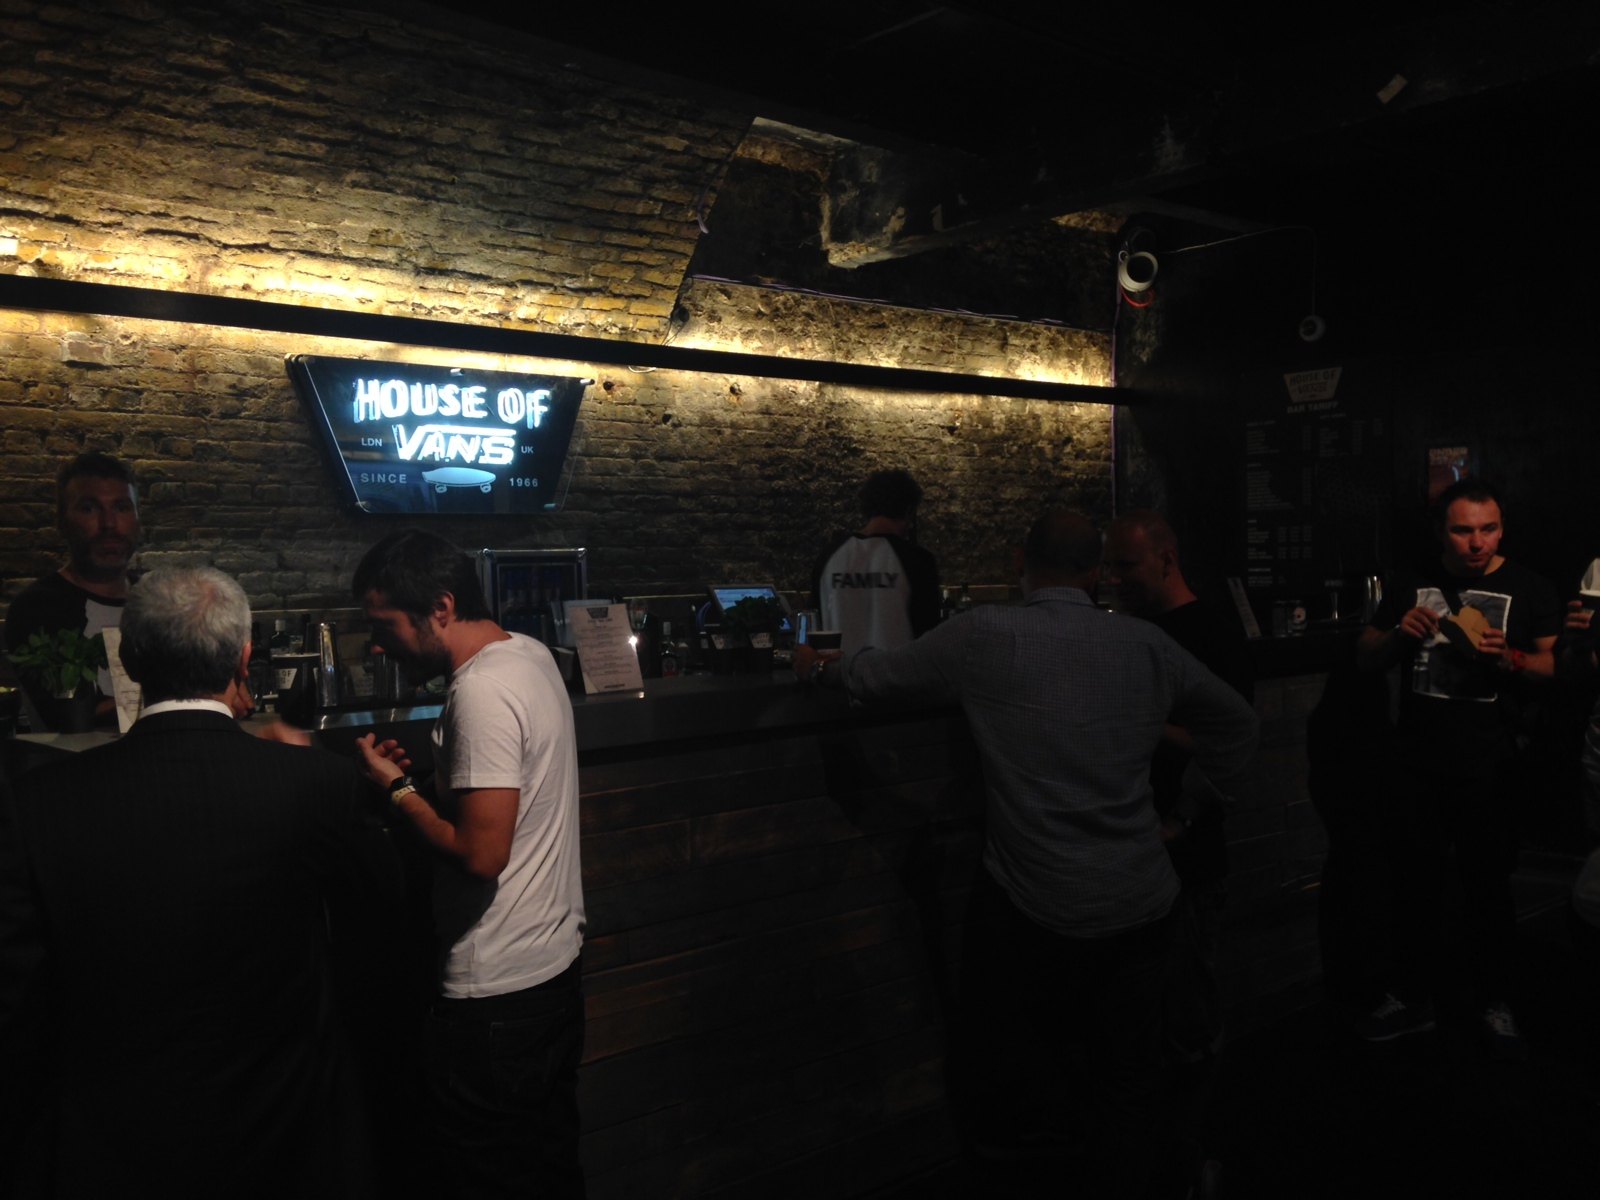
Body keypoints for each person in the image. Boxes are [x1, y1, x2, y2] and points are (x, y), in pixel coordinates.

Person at [795, 510, 1258, 1197]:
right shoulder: (1146, 645)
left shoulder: (984, 634)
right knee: (1131, 1078)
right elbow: (1238, 726)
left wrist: (820, 668)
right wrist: (1185, 813)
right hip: (1139, 900)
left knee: (1038, 1069)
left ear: (1020, 561)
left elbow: (878, 676)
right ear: (1094, 572)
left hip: (1035, 907)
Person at [0, 567, 401, 1198]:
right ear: (244, 658)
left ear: (130, 661)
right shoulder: (318, 785)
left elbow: (19, 996)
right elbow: (382, 928)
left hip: (114, 1143)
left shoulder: (37, 802)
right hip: (285, 1127)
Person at [349, 530, 586, 1198]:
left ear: (441, 607)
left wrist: (398, 792)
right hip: (551, 975)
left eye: (385, 625)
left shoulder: (480, 691)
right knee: (549, 1168)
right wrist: (427, 786)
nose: (378, 644)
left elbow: (482, 854)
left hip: (495, 997)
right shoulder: (529, 655)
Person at [1355, 476, 1561, 1055]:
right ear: (1441, 532)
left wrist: (1510, 657)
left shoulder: (1529, 586)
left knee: (1488, 889)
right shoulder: (1412, 582)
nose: (1477, 543)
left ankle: (1495, 999)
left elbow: (1554, 667)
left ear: (1502, 528)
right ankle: (1413, 996)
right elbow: (1364, 656)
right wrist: (1399, 635)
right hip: (1418, 762)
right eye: (1463, 530)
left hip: (1491, 765)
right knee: (1414, 886)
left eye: (1488, 529)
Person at [4, 452, 141, 730]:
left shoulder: (158, 599)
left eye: (122, 507)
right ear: (62, 522)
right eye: (89, 508)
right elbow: (64, 713)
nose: (109, 524)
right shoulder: (37, 607)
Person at [811, 468, 941, 657]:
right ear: (908, 511)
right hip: (897, 673)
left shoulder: (829, 557)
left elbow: (816, 623)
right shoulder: (918, 561)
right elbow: (930, 636)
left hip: (838, 672)